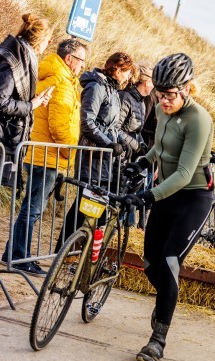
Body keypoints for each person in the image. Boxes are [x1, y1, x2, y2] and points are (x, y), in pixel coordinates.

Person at [122, 53, 214, 361]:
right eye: (159, 94)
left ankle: (157, 339)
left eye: (170, 95)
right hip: (167, 194)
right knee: (150, 263)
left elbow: (185, 173)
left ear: (187, 88)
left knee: (170, 262)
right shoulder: (164, 110)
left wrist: (148, 196)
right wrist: (142, 162)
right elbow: (159, 148)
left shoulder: (198, 119)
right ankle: (166, 301)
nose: (163, 101)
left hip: (193, 198)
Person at [0, 39, 86, 275]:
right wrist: (70, 151)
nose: (82, 66)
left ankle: (15, 253)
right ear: (69, 59)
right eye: (80, 60)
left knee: (31, 206)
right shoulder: (60, 80)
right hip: (48, 154)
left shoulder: (55, 74)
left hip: (43, 152)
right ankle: (19, 256)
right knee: (33, 208)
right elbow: (60, 126)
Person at [56, 52, 134, 249]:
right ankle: (62, 250)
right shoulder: (97, 86)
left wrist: (123, 142)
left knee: (95, 208)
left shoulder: (114, 91)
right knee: (83, 206)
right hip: (92, 155)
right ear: (117, 69)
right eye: (127, 72)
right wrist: (108, 143)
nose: (128, 77)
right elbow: (88, 122)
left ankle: (76, 251)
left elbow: (113, 126)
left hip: (106, 159)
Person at [0, 14, 52, 191]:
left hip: (7, 136)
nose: (49, 44)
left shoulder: (22, 57)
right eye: (49, 39)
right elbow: (0, 102)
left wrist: (34, 100)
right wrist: (31, 105)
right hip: (2, 137)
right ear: (41, 39)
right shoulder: (12, 59)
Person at [118, 62, 153, 161]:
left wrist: (142, 144)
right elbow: (116, 128)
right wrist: (137, 146)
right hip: (120, 155)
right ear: (147, 82)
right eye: (152, 83)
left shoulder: (141, 102)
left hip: (129, 156)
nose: (154, 87)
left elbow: (136, 132)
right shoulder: (125, 97)